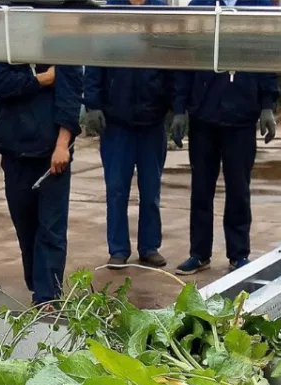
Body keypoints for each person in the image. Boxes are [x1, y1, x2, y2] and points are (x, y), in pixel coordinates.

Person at [171, 0, 279, 275]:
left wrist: (267, 104)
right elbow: (187, 60)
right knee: (201, 191)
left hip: (241, 119)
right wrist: (180, 109)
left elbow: (266, 57)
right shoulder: (201, 6)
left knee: (239, 191)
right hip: (203, 118)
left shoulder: (258, 7)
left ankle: (238, 254)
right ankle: (199, 253)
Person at [0, 61, 83, 305]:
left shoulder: (59, 39)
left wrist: (62, 144)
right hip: (14, 148)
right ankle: (37, 286)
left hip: (52, 154)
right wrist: (42, 80)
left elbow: (70, 91)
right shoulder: (4, 42)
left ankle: (47, 297)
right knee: (25, 226)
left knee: (51, 229)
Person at [83, 0, 173, 269]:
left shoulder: (161, 13)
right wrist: (92, 104)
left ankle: (149, 247)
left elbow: (173, 64)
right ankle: (118, 249)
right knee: (116, 188)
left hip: (152, 123)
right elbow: (95, 61)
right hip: (116, 123)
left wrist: (175, 107)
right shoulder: (110, 13)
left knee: (151, 188)